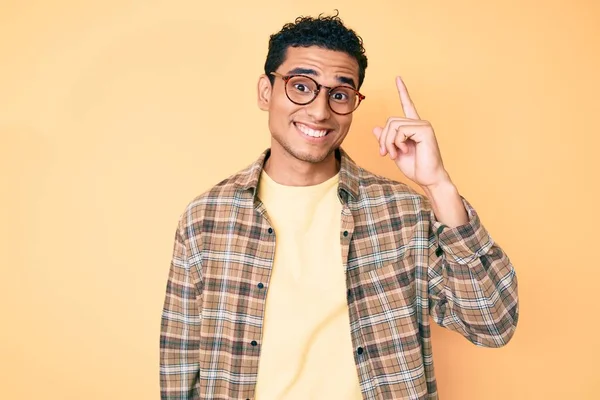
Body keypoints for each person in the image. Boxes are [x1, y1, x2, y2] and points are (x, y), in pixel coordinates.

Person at [159, 12, 519, 400]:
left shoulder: (402, 213)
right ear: (266, 92)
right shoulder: (206, 218)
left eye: (340, 94)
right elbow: (180, 364)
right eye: (301, 86)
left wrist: (438, 185)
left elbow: (492, 324)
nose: (319, 110)